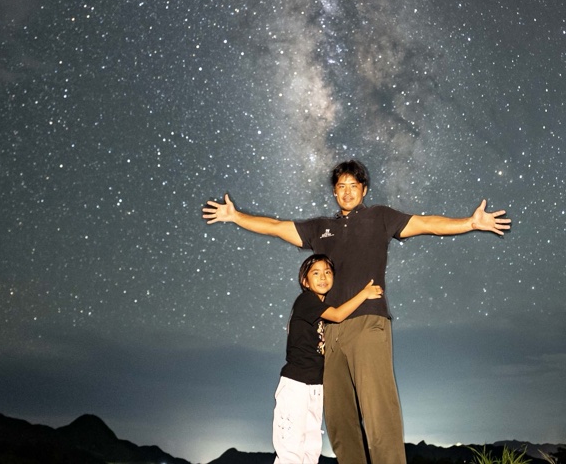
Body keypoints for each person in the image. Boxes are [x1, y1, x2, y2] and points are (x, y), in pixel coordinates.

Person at [203, 159, 510, 464]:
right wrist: (235, 216)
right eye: (341, 186)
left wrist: (470, 223)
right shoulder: (321, 228)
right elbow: (276, 227)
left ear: (364, 190)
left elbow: (426, 223)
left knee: (378, 412)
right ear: (334, 192)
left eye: (353, 186)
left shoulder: (381, 217)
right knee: (338, 419)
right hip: (330, 332)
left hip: (367, 323)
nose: (347, 192)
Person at [274, 254, 384, 464]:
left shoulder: (321, 309)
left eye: (327, 272)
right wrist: (364, 293)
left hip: (315, 387)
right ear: (305, 281)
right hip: (296, 384)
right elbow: (338, 315)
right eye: (315, 273)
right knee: (290, 449)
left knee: (311, 450)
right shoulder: (306, 300)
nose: (323, 277)